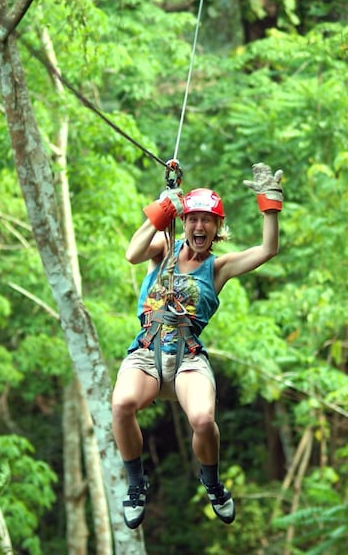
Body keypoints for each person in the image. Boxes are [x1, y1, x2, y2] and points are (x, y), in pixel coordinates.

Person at [111, 162, 284, 529]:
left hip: (188, 357)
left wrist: (269, 203)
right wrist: (161, 212)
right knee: (122, 404)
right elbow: (132, 252)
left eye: (208, 220)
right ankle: (136, 483)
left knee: (204, 419)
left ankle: (213, 484)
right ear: (185, 222)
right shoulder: (164, 247)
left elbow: (268, 249)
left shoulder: (218, 268)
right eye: (193, 219)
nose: (199, 227)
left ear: (217, 228)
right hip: (147, 351)